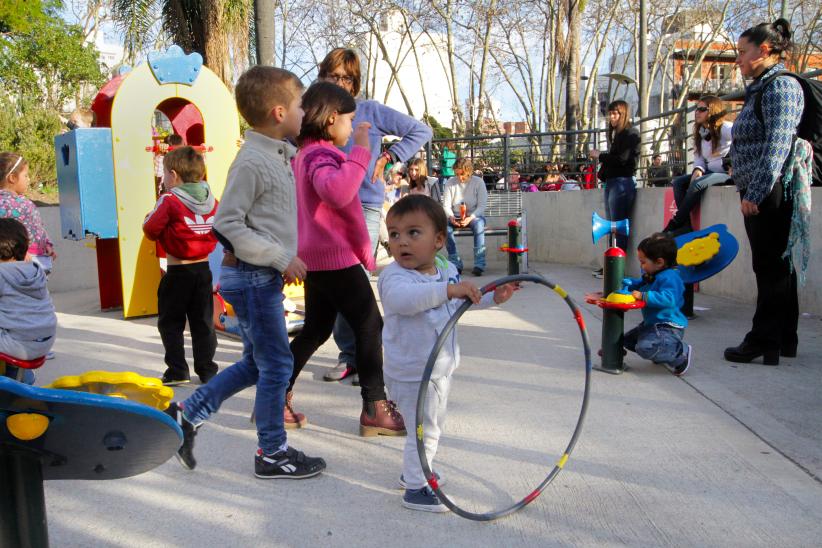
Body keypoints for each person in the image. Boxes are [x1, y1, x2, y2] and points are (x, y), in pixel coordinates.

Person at [164, 66, 327, 480]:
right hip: (254, 278)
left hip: (259, 277)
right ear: (277, 112)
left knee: (259, 363)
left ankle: (187, 414)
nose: (304, 111)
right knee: (277, 365)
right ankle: (272, 452)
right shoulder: (252, 161)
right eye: (299, 104)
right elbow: (228, 223)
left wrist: (284, 255)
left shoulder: (276, 155)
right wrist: (278, 257)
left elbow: (268, 219)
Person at [379, 195, 515, 512]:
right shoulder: (394, 277)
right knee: (424, 432)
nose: (401, 242)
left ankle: (414, 471)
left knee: (429, 426)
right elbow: (404, 300)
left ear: (439, 240)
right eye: (394, 234)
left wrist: (493, 297)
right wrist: (448, 290)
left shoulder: (443, 273)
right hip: (413, 374)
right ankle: (415, 487)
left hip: (437, 370)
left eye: (414, 232)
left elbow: (452, 307)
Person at [287, 81, 405, 436]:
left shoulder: (306, 153)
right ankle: (375, 407)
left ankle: (274, 395)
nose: (352, 128)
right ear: (331, 119)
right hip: (333, 258)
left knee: (315, 330)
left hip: (317, 257)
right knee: (371, 326)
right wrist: (361, 150)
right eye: (349, 121)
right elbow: (338, 192)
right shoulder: (321, 154)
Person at [316, 48, 433, 385]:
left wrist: (389, 157)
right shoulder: (316, 113)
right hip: (324, 210)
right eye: (333, 76)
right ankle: (350, 355)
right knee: (335, 285)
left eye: (346, 78)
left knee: (353, 281)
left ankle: (365, 356)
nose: (339, 83)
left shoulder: (369, 111)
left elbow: (421, 130)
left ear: (355, 83)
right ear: (322, 76)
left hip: (363, 205)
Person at [724, 19, 804, 366]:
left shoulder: (781, 88)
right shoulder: (761, 87)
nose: (738, 59)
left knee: (770, 268)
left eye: (743, 52)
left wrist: (754, 194)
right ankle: (783, 338)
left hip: (770, 193)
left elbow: (777, 148)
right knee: (777, 267)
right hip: (762, 189)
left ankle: (763, 339)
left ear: (765, 50)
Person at [142, 146, 219, 386]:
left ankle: (177, 371)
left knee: (171, 322)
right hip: (203, 271)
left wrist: (149, 218)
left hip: (177, 271)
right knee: (203, 322)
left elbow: (151, 229)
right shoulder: (213, 199)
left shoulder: (170, 200)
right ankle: (207, 370)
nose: (164, 179)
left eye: (164, 174)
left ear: (174, 175)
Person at [622, 233, 692, 376]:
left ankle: (680, 355)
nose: (641, 266)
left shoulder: (671, 277)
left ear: (659, 262)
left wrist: (643, 296)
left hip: (668, 327)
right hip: (652, 324)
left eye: (643, 262)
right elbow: (641, 285)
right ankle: (661, 351)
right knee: (627, 341)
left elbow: (669, 298)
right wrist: (628, 284)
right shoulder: (653, 274)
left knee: (644, 348)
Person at [664, 96, 733, 234]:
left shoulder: (725, 127)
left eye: (702, 109)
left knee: (698, 183)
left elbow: (742, 141)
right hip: (710, 172)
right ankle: (686, 226)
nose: (697, 112)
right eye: (696, 109)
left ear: (713, 110)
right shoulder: (701, 132)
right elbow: (699, 158)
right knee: (678, 183)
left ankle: (675, 222)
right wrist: (698, 169)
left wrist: (734, 163)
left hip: (726, 174)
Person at [0, 218, 56, 384]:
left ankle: (14, 381)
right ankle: (23, 376)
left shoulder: (2, 273)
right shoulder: (35, 269)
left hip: (18, 345)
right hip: (44, 341)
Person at [589, 100, 640, 251]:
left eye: (615, 114)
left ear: (622, 114)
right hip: (613, 182)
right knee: (611, 226)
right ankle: (611, 261)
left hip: (622, 183)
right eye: (610, 114)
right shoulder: (618, 134)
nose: (611, 117)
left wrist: (600, 155)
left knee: (618, 226)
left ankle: (618, 264)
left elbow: (622, 160)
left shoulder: (631, 133)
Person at [0, 153, 57, 272]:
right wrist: (23, 252)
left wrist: (47, 244)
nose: (28, 179)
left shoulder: (24, 203)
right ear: (12, 178)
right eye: (26, 176)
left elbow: (37, 228)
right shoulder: (21, 204)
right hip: (28, 262)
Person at [442, 157, 488, 276]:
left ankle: (479, 263)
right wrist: (451, 217)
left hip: (474, 216)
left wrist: (470, 217)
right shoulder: (450, 183)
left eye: (462, 174)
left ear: (469, 171)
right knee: (445, 228)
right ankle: (455, 262)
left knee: (479, 225)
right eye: (457, 174)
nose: (459, 177)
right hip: (455, 216)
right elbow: (446, 206)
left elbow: (482, 206)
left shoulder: (478, 182)